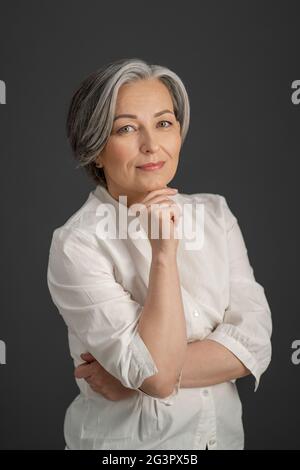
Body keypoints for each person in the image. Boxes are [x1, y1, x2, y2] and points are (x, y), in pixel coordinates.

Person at [47, 57, 272, 450]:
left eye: (164, 123)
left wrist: (130, 376)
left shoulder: (215, 214)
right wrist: (163, 254)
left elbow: (255, 345)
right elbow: (158, 378)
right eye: (127, 128)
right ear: (96, 149)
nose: (152, 145)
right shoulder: (77, 243)